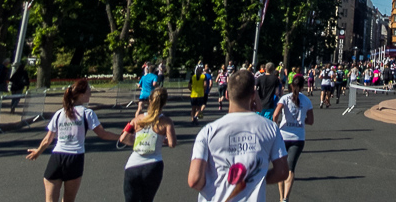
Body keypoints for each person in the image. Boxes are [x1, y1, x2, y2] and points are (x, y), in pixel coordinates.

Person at [188, 70, 289, 202]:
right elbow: (282, 171)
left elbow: (194, 180)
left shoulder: (208, 131)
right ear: (253, 95)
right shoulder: (270, 128)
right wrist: (257, 177)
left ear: (227, 94)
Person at [26, 79, 119, 202]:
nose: (90, 94)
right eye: (88, 91)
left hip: (57, 158)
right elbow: (103, 134)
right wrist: (121, 137)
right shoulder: (87, 113)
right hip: (75, 158)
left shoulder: (59, 113)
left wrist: (38, 152)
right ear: (81, 95)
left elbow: (47, 140)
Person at [120, 87, 176, 202]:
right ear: (164, 103)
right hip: (153, 166)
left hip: (133, 166)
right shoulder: (166, 122)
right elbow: (172, 143)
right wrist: (164, 141)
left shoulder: (137, 119)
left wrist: (136, 142)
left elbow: (123, 138)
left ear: (149, 101)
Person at [272, 74, 313, 202]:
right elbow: (311, 120)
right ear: (302, 87)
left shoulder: (284, 98)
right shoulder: (307, 101)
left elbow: (275, 114)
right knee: (290, 168)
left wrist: (277, 125)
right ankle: (286, 198)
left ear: (291, 85)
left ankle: (280, 196)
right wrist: (300, 121)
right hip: (298, 137)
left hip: (283, 135)